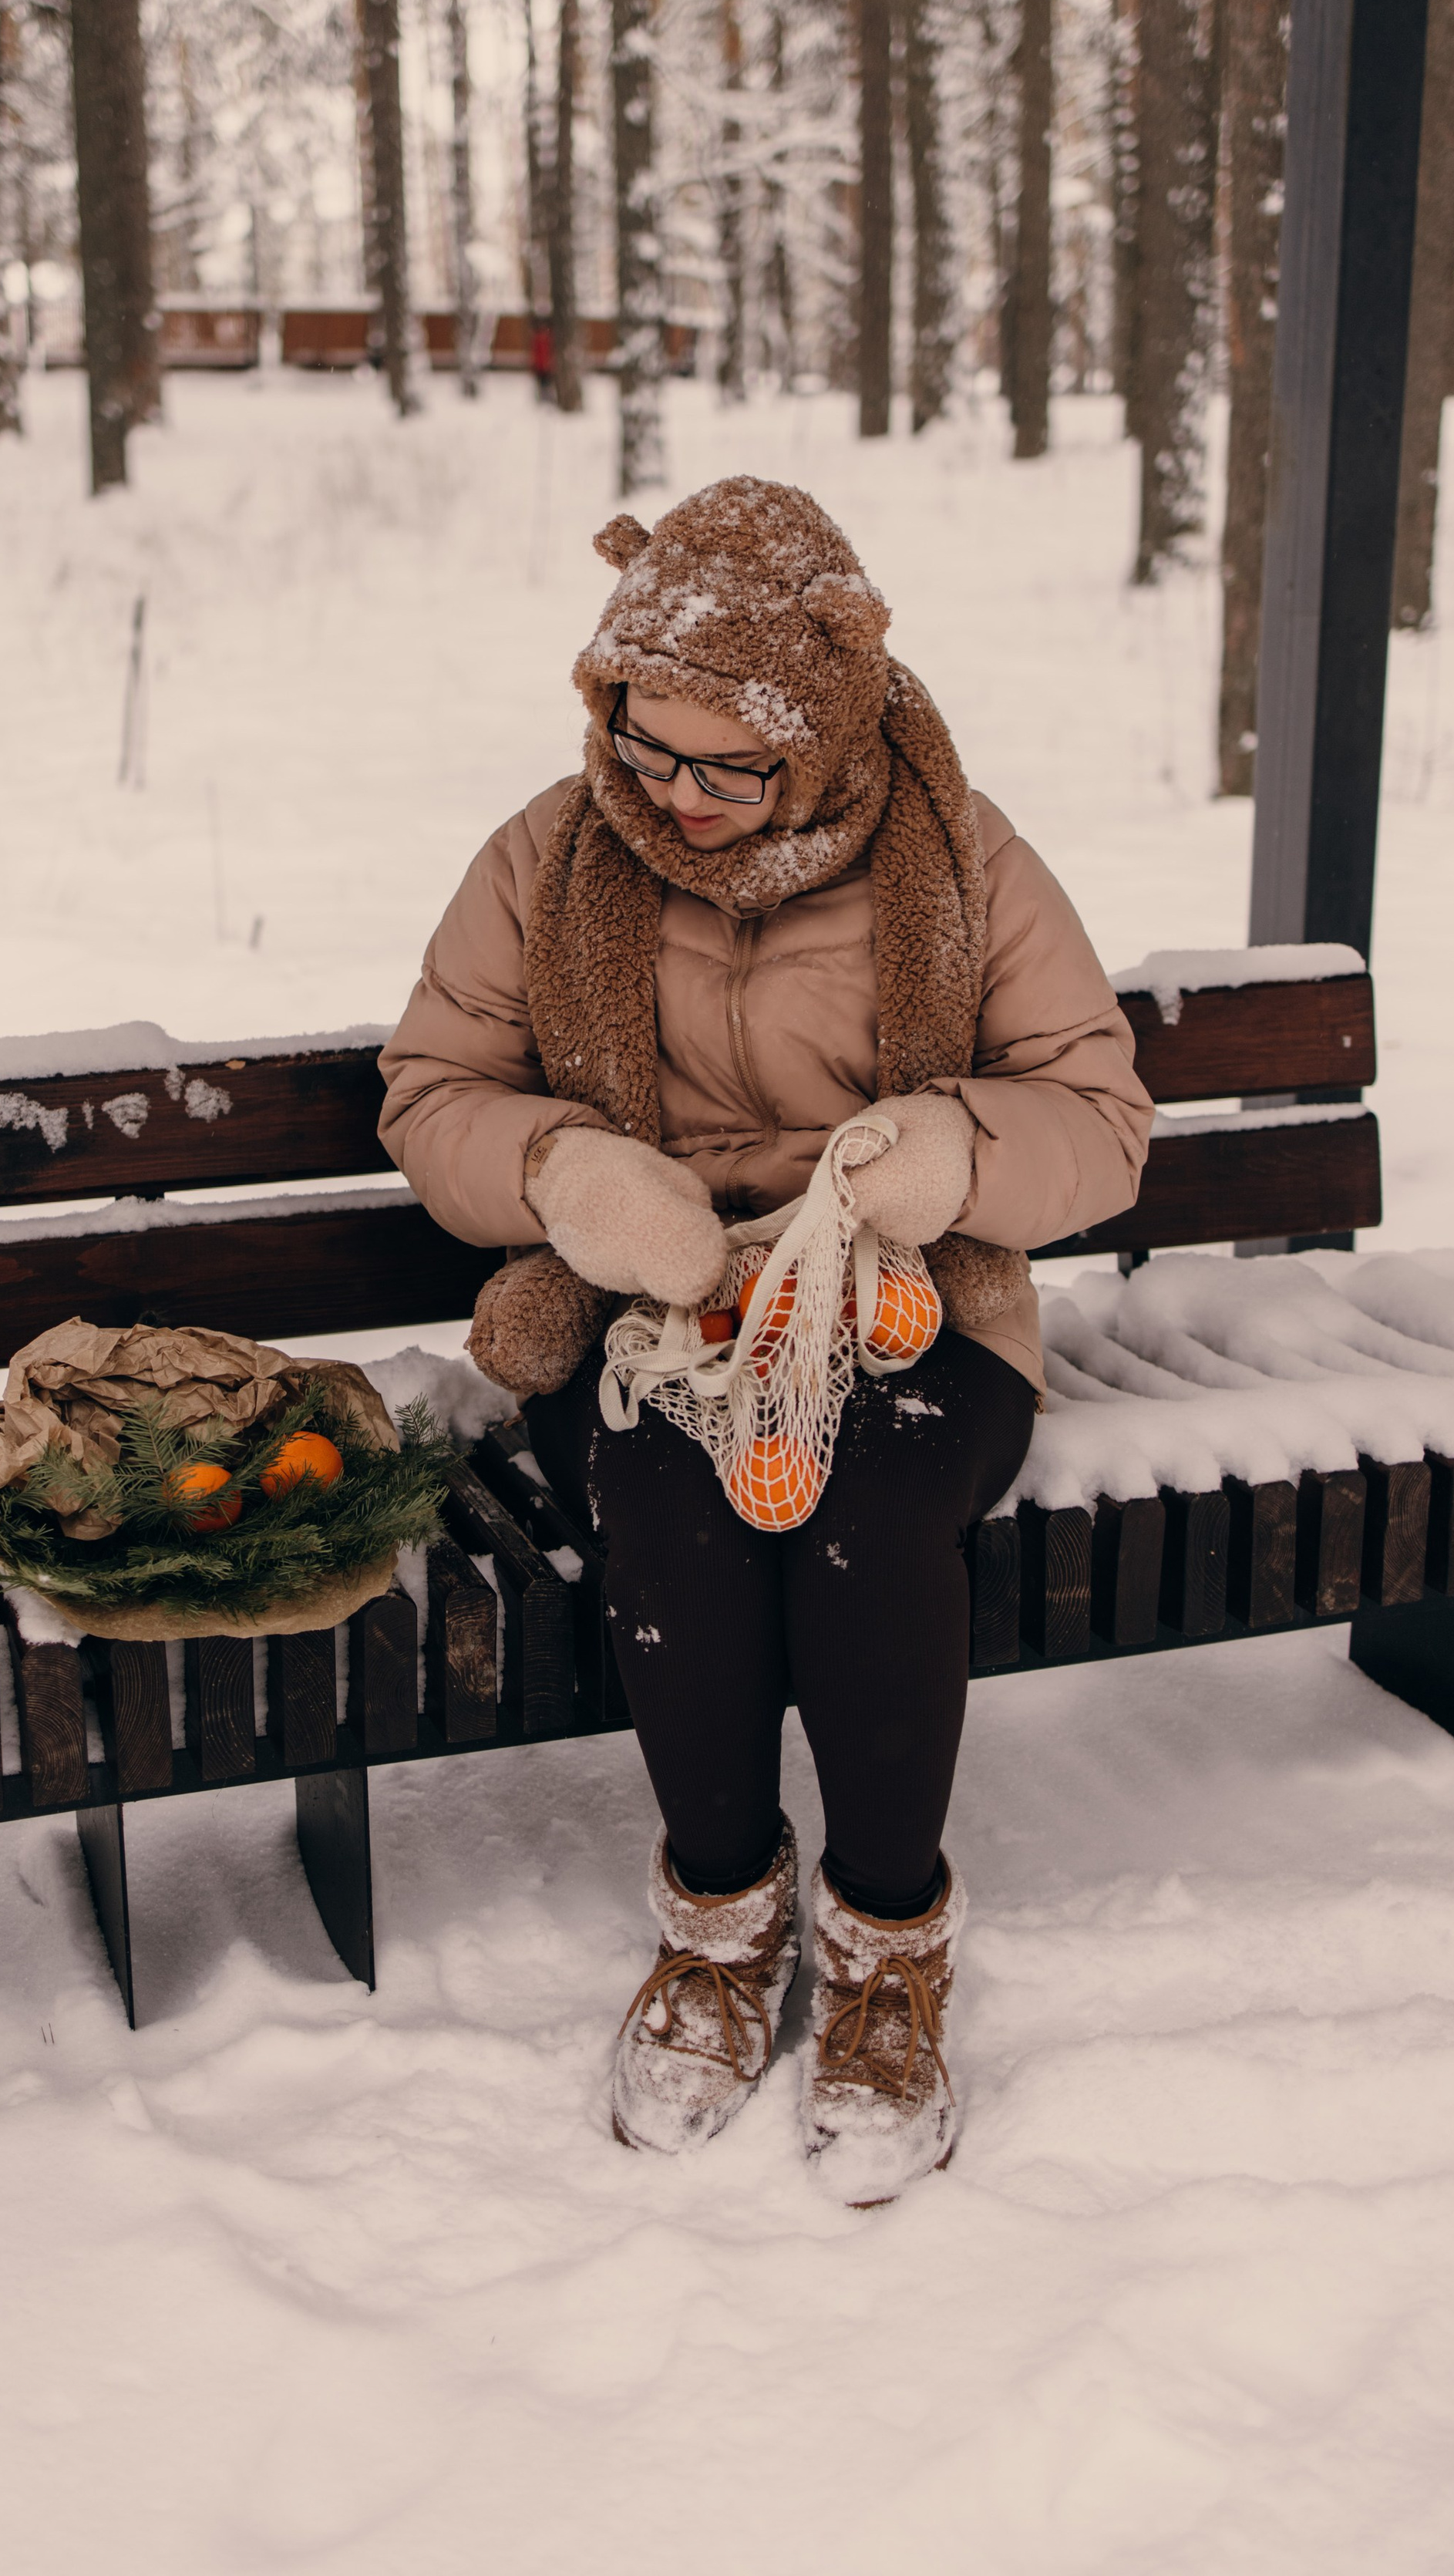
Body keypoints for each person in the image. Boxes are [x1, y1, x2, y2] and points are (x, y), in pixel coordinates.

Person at [378, 478, 1150, 2204]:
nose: (676, 798)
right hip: (647, 1312)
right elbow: (433, 1091)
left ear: (822, 729)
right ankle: (722, 1926)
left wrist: (953, 1153)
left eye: (727, 768)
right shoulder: (546, 858)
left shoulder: (959, 856)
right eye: (643, 747)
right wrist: (562, 1174)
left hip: (911, 1300)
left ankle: (885, 1951)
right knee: (676, 1505)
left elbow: (1098, 1114)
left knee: (866, 1515)